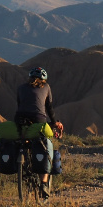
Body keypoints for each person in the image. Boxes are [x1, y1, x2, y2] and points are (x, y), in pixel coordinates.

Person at [15, 65, 63, 198]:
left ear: (30, 77)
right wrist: (54, 123)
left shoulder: (21, 88)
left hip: (19, 120)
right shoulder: (46, 88)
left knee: (22, 141)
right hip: (38, 119)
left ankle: (23, 164)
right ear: (44, 79)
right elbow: (49, 108)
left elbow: (20, 106)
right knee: (44, 145)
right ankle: (43, 183)